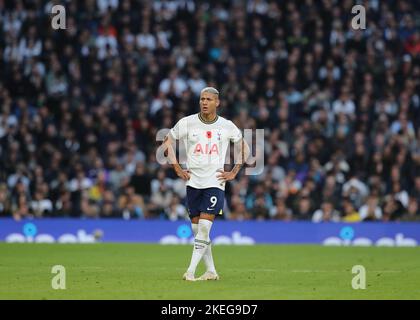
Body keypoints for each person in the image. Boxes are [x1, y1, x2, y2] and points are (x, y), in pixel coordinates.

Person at [163, 87, 250, 281]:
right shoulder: (187, 122)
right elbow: (167, 141)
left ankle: (190, 271)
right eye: (202, 99)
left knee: (203, 228)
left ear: (217, 103)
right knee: (197, 230)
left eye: (209, 99)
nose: (204, 102)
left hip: (215, 182)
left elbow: (244, 147)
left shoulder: (226, 126)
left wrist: (234, 171)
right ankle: (211, 271)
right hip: (193, 183)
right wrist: (177, 167)